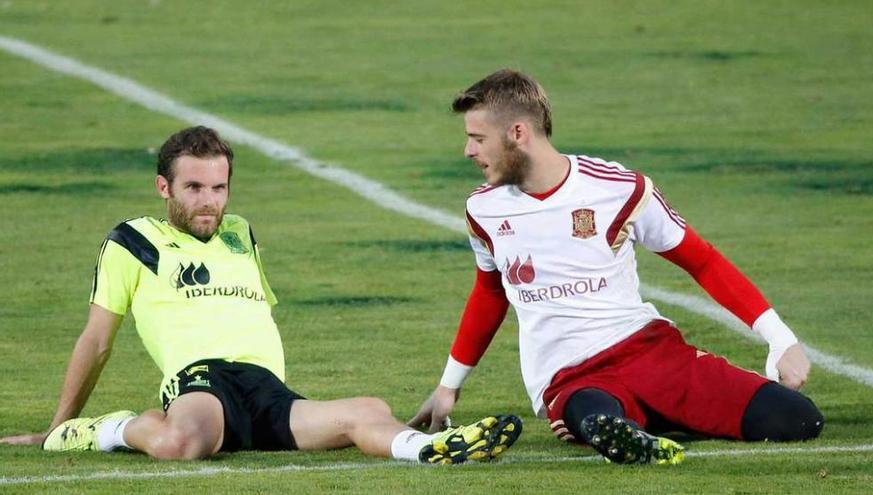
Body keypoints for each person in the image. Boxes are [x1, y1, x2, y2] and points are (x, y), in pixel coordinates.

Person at [0, 126, 521, 464]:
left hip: (266, 387)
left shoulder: (240, 233)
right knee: (184, 443)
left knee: (367, 408)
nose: (210, 203)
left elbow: (253, 312)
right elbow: (96, 340)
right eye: (194, 188)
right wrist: (57, 426)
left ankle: (431, 448)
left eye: (219, 188)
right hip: (200, 379)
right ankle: (107, 429)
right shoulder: (134, 241)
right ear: (164, 188)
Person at [408, 70, 824, 465]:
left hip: (650, 352)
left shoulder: (618, 189)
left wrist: (779, 338)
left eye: (478, 139)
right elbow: (490, 293)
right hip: (568, 377)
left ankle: (647, 422)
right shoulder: (483, 209)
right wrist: (449, 387)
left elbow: (702, 260)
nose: (468, 151)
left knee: (799, 419)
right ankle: (627, 427)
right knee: (591, 413)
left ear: (518, 133)